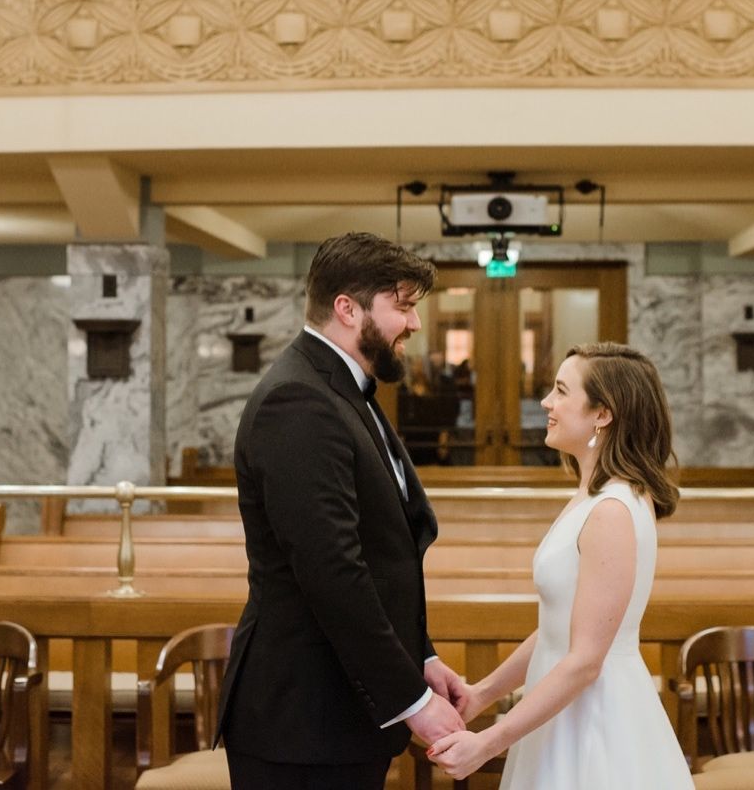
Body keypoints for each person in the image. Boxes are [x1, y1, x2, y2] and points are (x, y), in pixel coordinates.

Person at [216, 232, 469, 790]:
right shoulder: (299, 401)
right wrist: (411, 698)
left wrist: (420, 658)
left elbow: (381, 554)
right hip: (303, 721)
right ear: (347, 309)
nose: (415, 324)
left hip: (335, 715)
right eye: (402, 307)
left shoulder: (342, 391)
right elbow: (333, 571)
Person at [426, 342, 694, 789]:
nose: (547, 403)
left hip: (596, 719)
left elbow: (586, 661)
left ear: (602, 414)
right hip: (559, 710)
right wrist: (482, 694)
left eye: (561, 392)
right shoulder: (594, 496)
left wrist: (490, 742)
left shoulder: (613, 509)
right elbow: (558, 627)